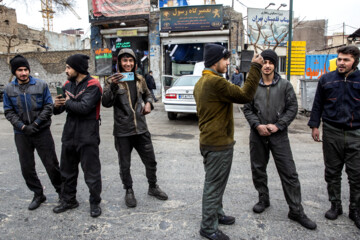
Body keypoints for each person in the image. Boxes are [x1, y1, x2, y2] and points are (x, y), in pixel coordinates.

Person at [194, 43, 264, 240]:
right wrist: (255, 68)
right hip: (217, 144)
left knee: (217, 183)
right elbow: (245, 95)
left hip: (210, 140)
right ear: (216, 61)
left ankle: (217, 213)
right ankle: (208, 227)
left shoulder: (202, 82)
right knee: (214, 185)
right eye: (225, 59)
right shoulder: (216, 82)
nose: (227, 63)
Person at [243, 49, 317, 230]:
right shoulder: (252, 85)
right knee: (258, 169)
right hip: (258, 135)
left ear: (275, 65)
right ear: (260, 65)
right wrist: (257, 125)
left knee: (289, 172)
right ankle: (263, 199)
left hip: (279, 135)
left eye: (271, 63)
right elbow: (247, 108)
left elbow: (292, 108)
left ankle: (296, 210)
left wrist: (278, 125)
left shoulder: (285, 86)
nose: (267, 66)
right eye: (264, 63)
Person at [102, 48, 168, 208]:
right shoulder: (110, 81)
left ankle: (153, 187)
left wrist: (149, 103)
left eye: (131, 61)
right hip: (123, 131)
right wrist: (113, 86)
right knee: (125, 164)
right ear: (119, 63)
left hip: (141, 129)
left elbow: (148, 95)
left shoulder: (140, 79)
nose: (128, 63)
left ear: (135, 63)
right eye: (124, 60)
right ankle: (129, 190)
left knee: (151, 161)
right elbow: (106, 102)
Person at [308, 45, 360, 229]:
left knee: (356, 174)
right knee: (332, 172)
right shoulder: (326, 80)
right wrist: (315, 125)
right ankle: (335, 206)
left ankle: (355, 210)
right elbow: (318, 105)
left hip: (356, 133)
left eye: (346, 60)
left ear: (355, 61)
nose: (341, 63)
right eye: (339, 59)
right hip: (331, 131)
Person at [3, 55, 62, 210]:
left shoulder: (41, 85)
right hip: (22, 134)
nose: (23, 73)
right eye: (19, 70)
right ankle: (38, 194)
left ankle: (62, 193)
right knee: (27, 167)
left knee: (51, 164)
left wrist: (36, 124)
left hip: (41, 131)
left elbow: (49, 106)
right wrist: (23, 127)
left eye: (25, 69)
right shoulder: (9, 89)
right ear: (14, 72)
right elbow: (8, 111)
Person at [52, 54, 102, 218]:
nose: (66, 70)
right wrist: (57, 105)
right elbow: (60, 110)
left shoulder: (93, 85)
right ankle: (69, 200)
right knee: (67, 171)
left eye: (68, 67)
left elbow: (84, 108)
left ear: (78, 68)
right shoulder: (67, 84)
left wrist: (67, 102)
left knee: (91, 173)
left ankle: (94, 202)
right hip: (69, 134)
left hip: (88, 134)